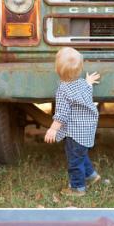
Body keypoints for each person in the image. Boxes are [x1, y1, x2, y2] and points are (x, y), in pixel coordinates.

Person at [44, 47, 101, 196]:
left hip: (75, 133)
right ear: (80, 68)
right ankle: (91, 176)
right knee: (81, 154)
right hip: (87, 130)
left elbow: (61, 114)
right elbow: (88, 89)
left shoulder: (63, 90)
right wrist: (89, 81)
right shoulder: (82, 83)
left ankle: (77, 188)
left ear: (57, 70)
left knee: (74, 161)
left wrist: (53, 129)